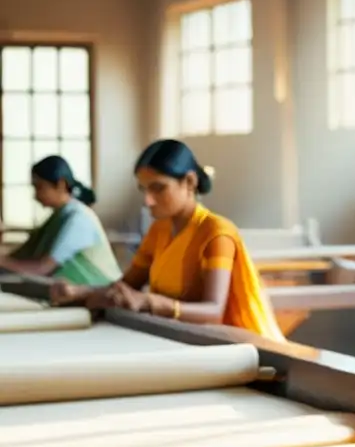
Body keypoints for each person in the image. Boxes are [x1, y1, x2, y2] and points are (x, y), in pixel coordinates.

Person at [50, 139, 284, 341]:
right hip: (174, 338)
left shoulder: (216, 233)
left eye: (158, 189)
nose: (148, 201)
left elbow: (213, 311)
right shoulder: (159, 230)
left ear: (189, 182)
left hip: (224, 347)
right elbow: (126, 287)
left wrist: (150, 302)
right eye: (143, 190)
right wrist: (80, 292)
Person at [0, 156, 120, 285]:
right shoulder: (58, 216)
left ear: (61, 184)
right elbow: (21, 255)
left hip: (103, 295)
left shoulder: (78, 218)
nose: (35, 196)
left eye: (39, 187)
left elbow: (42, 268)